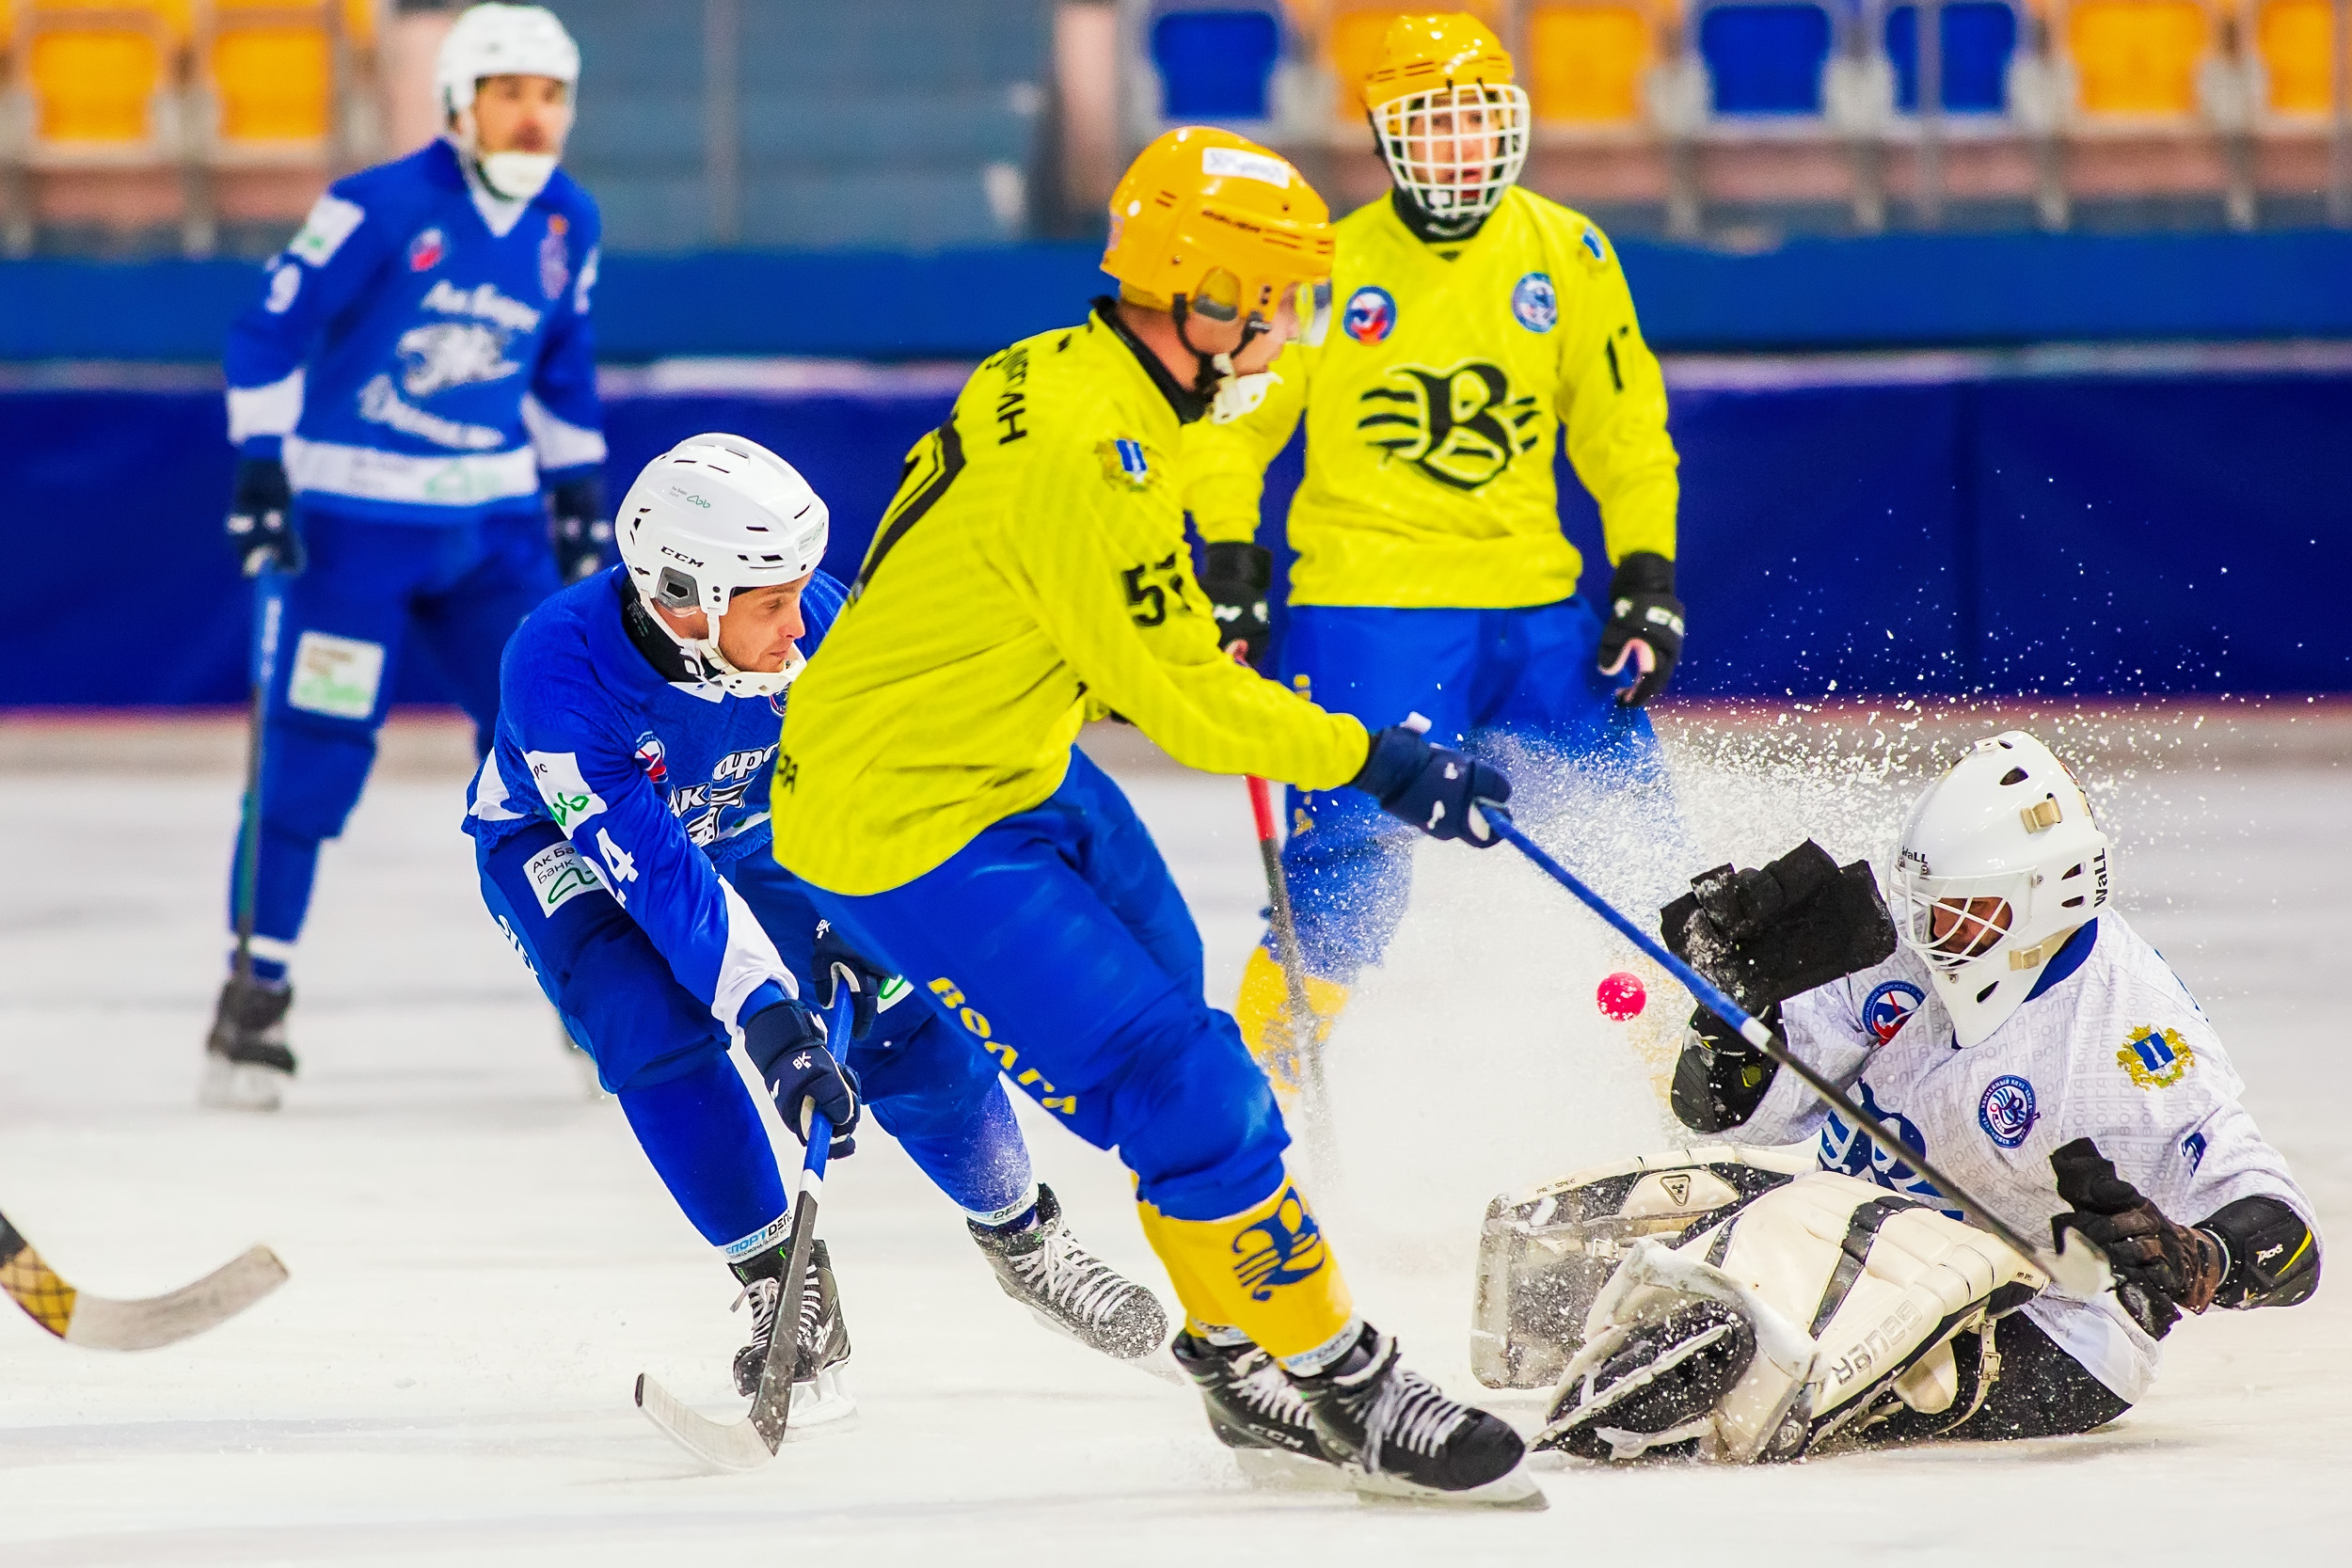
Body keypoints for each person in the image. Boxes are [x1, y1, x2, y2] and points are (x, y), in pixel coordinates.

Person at [768, 126, 1539, 1507]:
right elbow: (1182, 699)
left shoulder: (1070, 369)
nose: (1289, 327)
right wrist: (1381, 762)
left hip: (990, 755)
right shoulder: (1093, 446)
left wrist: (1198, 579)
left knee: (1176, 991)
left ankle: (1232, 1346)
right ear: (1209, 293)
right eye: (1279, 300)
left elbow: (1036, 572)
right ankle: (1344, 1379)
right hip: (911, 816)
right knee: (1184, 1080)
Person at [464, 433, 1168, 1412]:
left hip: (760, 823)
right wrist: (774, 1020)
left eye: (797, 592)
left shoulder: (820, 628)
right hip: (563, 844)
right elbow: (663, 881)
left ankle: (1024, 1235)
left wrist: (859, 918)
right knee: (645, 1018)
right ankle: (780, 1283)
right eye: (768, 604)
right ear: (683, 595)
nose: (797, 627)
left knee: (899, 1000)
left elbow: (887, 780)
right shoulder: (560, 669)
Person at [1514, 732, 2320, 1460]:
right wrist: (1734, 1018)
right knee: (1632, 1236)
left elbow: (2291, 1237)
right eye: (1927, 904)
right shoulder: (1900, 938)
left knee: (1753, 1340)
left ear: (2052, 900)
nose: (1932, 934)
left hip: (2049, 1325)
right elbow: (1750, 1109)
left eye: (1964, 914)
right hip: (1858, 1218)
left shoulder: (2129, 1045)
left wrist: (2204, 1256)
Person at [1180, 13, 1687, 1091]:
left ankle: (1684, 1081)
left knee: (1632, 855)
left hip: (1537, 610)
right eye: (1432, 122)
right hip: (1368, 609)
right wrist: (1229, 569)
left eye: (1475, 120)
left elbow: (1624, 428)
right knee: (1346, 881)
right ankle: (1250, 1102)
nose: (1459, 147)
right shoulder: (1324, 268)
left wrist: (1646, 579)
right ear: (1385, 134)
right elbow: (1237, 427)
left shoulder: (1572, 251)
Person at [206, 3, 610, 1109]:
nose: (535, 117)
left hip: (487, 536)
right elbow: (267, 331)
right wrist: (258, 465)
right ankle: (255, 994)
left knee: (560, 754)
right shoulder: (376, 207)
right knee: (314, 755)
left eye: (551, 95)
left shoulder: (569, 219)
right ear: (458, 105)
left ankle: (600, 997)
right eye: (511, 93)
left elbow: (561, 367)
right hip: (349, 537)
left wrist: (579, 493)